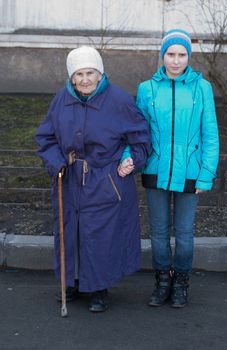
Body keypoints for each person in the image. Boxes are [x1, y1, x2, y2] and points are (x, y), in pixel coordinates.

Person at [35, 46, 150, 312]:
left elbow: (140, 137)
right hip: (69, 176)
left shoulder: (119, 100)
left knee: (100, 235)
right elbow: (46, 138)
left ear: (100, 74)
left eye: (90, 73)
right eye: (79, 74)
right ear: (71, 78)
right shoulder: (61, 99)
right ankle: (72, 282)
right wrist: (57, 163)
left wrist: (133, 159)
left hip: (104, 178)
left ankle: (99, 288)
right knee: (70, 233)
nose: (85, 79)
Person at [136, 29, 219, 308]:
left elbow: (210, 134)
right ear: (162, 56)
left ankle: (181, 282)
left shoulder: (201, 88)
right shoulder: (147, 88)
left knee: (184, 233)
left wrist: (206, 174)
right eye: (170, 54)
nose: (175, 60)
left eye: (181, 54)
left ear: (189, 56)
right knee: (158, 232)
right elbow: (137, 132)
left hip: (190, 173)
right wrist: (130, 158)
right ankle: (162, 282)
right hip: (156, 169)